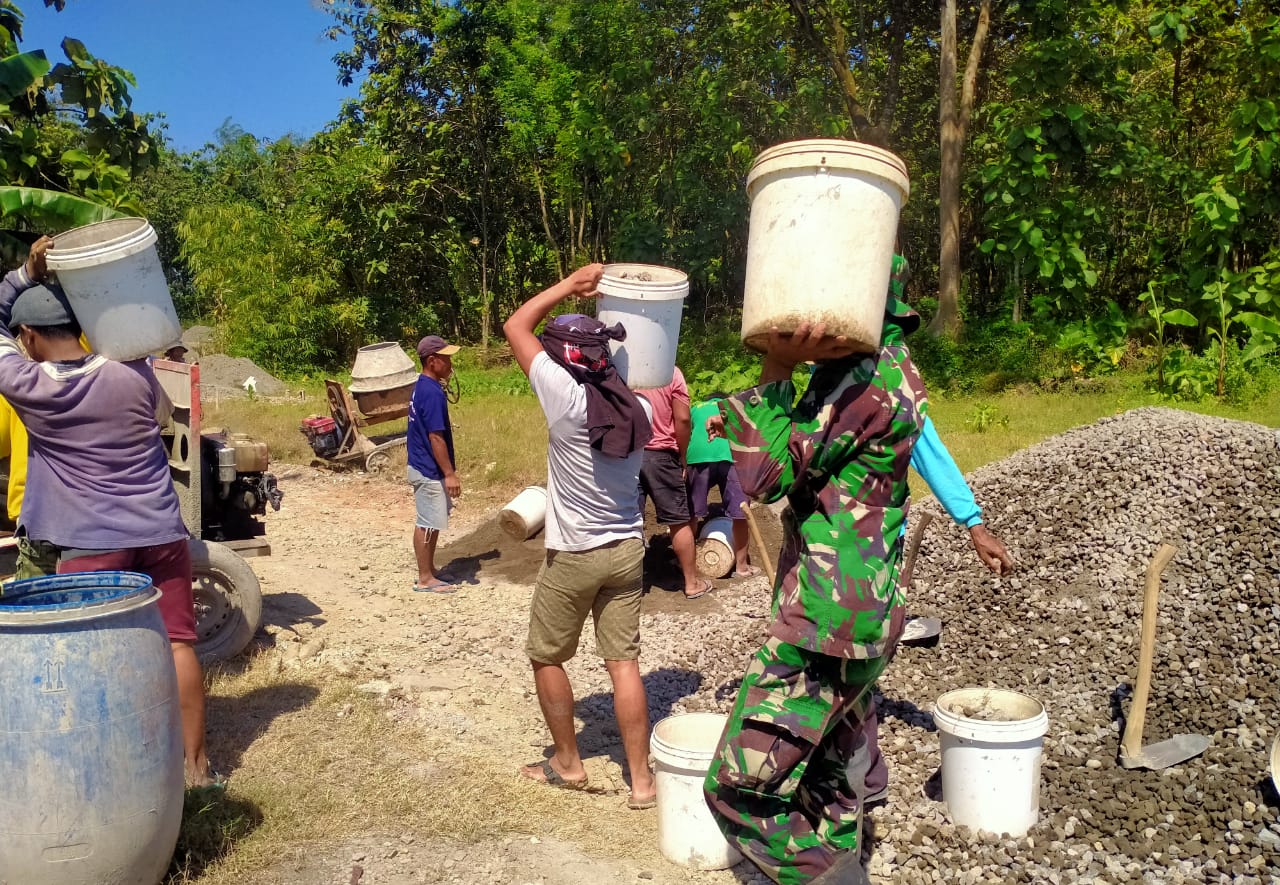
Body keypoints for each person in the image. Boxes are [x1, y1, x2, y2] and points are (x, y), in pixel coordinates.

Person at [701, 286, 931, 883]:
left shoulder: (857, 382)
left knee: (737, 789)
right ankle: (838, 863)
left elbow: (763, 475)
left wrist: (776, 366)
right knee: (829, 784)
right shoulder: (897, 368)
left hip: (826, 622)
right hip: (867, 610)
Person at [0, 236, 215, 787]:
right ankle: (195, 767)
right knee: (178, 643)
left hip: (93, 544)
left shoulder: (28, 385)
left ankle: (116, 773)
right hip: (162, 531)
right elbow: (164, 417)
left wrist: (25, 275)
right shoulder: (132, 371)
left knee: (92, 655)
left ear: (28, 337)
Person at [503, 264, 658, 811]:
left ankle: (568, 763)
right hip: (627, 553)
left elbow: (515, 326)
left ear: (565, 357)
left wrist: (570, 286)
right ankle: (641, 781)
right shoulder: (637, 405)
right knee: (624, 665)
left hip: (573, 556)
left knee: (547, 657)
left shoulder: (565, 398)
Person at [637, 367, 713, 599]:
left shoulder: (626, 368)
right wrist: (682, 456)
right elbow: (682, 418)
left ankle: (629, 583)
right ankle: (691, 583)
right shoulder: (670, 372)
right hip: (661, 455)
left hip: (627, 455)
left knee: (629, 518)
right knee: (678, 520)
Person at [406, 335, 462, 593]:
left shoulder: (424, 386)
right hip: (428, 468)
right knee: (428, 521)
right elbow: (436, 437)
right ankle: (425, 578)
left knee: (433, 519)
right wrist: (449, 474)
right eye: (446, 359)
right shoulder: (431, 393)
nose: (450, 364)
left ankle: (429, 570)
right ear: (432, 361)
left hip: (423, 464)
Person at [686, 391, 757, 577]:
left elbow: (686, 430)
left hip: (698, 456)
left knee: (692, 513)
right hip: (731, 457)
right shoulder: (732, 407)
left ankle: (687, 563)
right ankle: (742, 567)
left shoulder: (695, 407)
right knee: (740, 513)